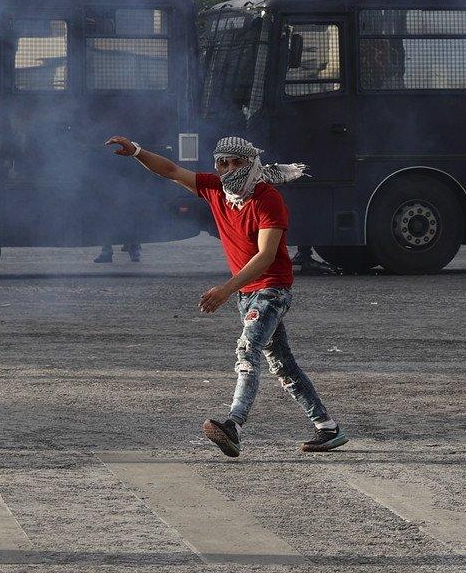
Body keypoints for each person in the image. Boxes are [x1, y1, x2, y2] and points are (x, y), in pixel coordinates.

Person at [105, 133, 348, 456]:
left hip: (271, 290)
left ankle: (233, 425)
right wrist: (137, 151)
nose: (229, 169)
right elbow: (172, 171)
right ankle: (327, 428)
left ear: (251, 164)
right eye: (223, 163)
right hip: (246, 293)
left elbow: (265, 256)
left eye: (237, 163)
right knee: (282, 364)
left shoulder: (267, 198)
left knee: (248, 352)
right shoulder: (216, 189)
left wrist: (225, 289)